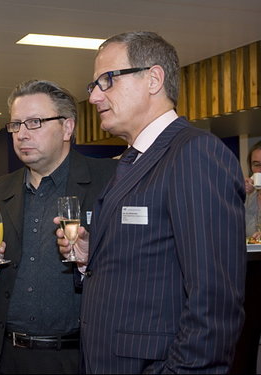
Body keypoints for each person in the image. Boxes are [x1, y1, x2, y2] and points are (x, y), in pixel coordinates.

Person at [55, 31, 246, 374]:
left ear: (154, 79)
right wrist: (89, 257)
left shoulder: (194, 154)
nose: (95, 97)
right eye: (93, 86)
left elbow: (215, 302)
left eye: (107, 81)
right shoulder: (132, 161)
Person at [0, 79, 117, 374]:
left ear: (67, 127)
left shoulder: (109, 180)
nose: (21, 134)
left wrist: (90, 257)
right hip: (6, 356)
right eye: (16, 125)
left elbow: (137, 265)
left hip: (77, 357)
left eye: (35, 122)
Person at [230, 140, 261, 374]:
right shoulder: (248, 194)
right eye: (256, 165)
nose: (259, 171)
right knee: (245, 338)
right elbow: (238, 230)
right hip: (249, 271)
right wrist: (239, 195)